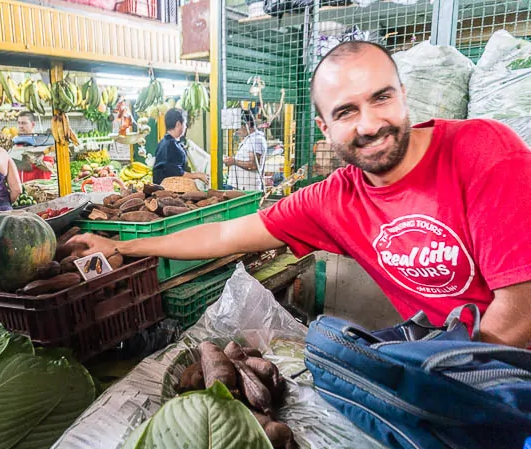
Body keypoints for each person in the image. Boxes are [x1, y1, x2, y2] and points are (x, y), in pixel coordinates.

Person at [70, 40, 531, 348]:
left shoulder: (482, 152)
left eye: (382, 98)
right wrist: (120, 245)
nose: (369, 124)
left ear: (404, 96)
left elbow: (518, 313)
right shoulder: (332, 200)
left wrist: (444, 388)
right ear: (325, 127)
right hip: (442, 353)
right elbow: (226, 235)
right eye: (346, 111)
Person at [152, 108, 209, 185]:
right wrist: (198, 175)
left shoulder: (165, 142)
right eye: (185, 124)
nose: (186, 127)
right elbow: (177, 173)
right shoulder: (171, 145)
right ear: (178, 124)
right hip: (168, 191)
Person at [223, 110, 267, 191]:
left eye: (238, 128)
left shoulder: (256, 140)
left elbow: (253, 165)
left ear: (248, 124)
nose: (237, 132)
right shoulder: (249, 139)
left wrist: (234, 161)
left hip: (248, 188)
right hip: (241, 187)